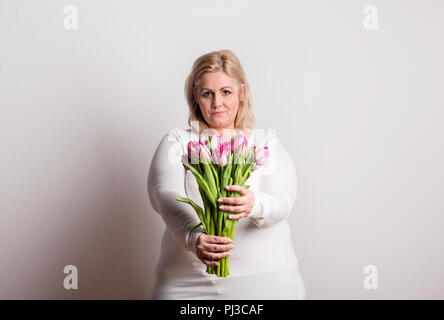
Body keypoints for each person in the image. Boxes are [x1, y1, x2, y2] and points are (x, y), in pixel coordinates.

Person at [147, 49, 306, 299]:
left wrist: (254, 204)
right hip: (187, 281)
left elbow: (284, 202)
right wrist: (192, 235)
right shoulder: (179, 142)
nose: (217, 103)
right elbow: (163, 193)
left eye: (226, 92)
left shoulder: (265, 143)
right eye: (207, 94)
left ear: (241, 92)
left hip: (264, 280)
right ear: (195, 97)